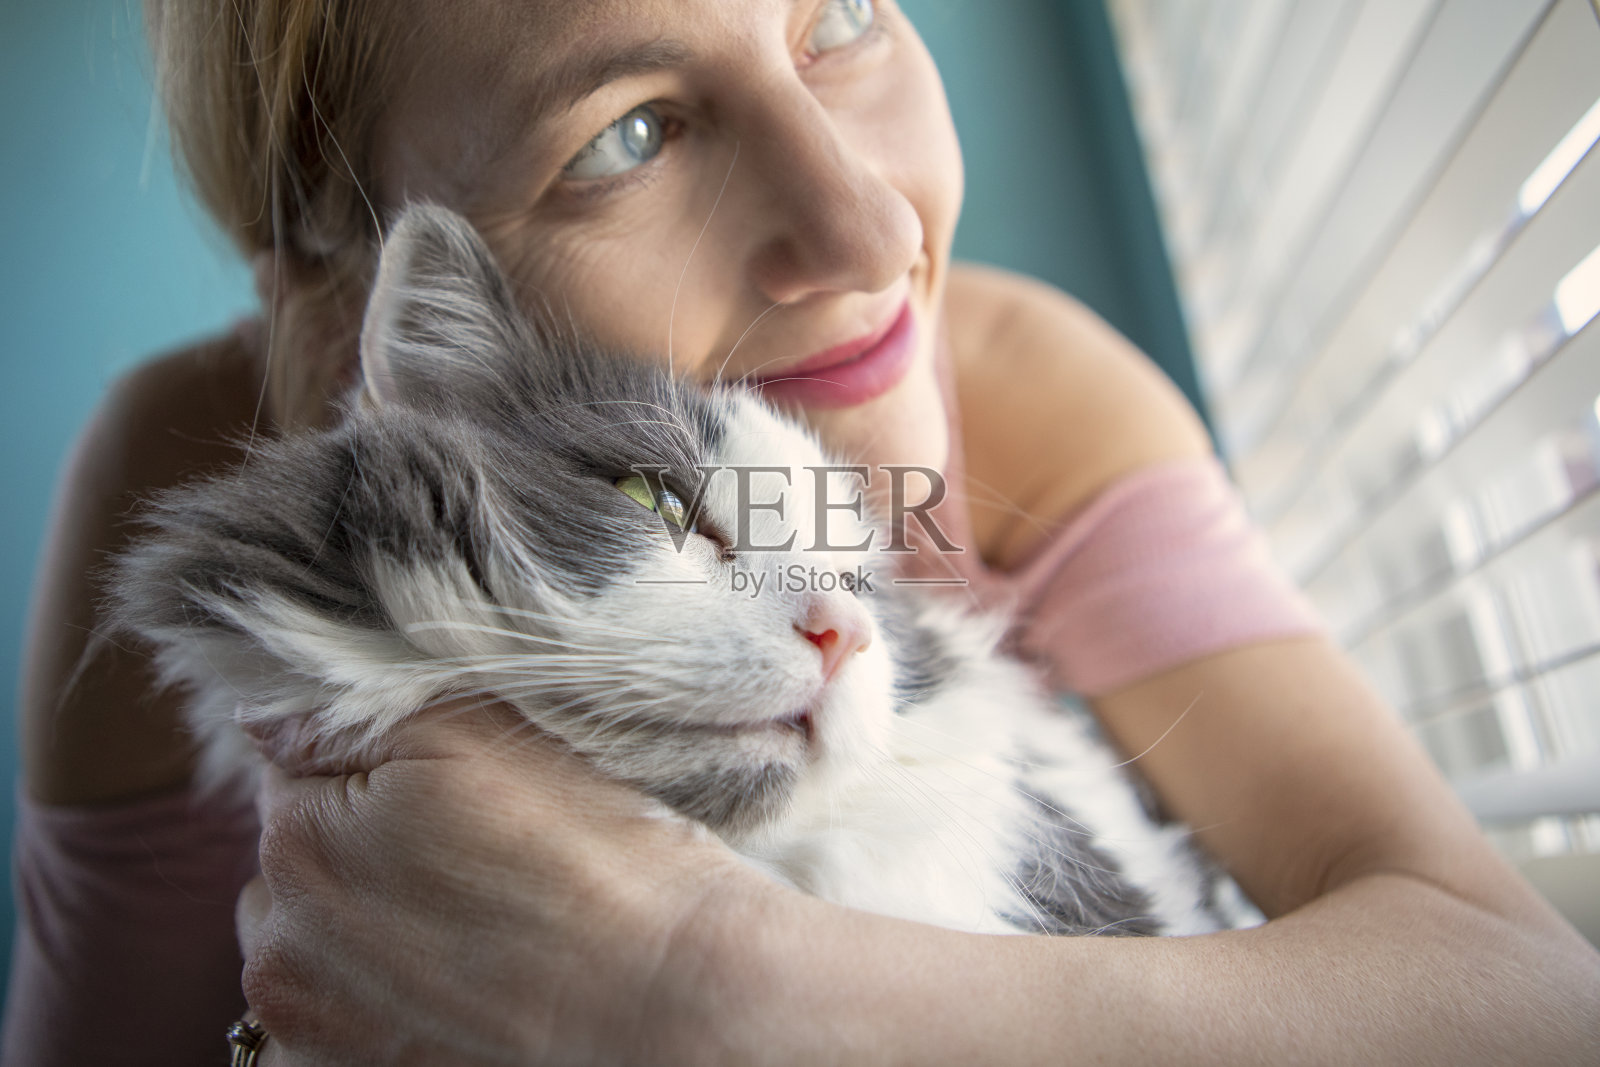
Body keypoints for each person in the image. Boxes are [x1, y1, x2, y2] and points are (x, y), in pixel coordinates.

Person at [8, 0, 1598, 1063]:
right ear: (357, 294)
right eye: (629, 134)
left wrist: (707, 990)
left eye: (837, 14)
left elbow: (1525, 998)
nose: (870, 226)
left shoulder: (1028, 390)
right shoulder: (180, 463)